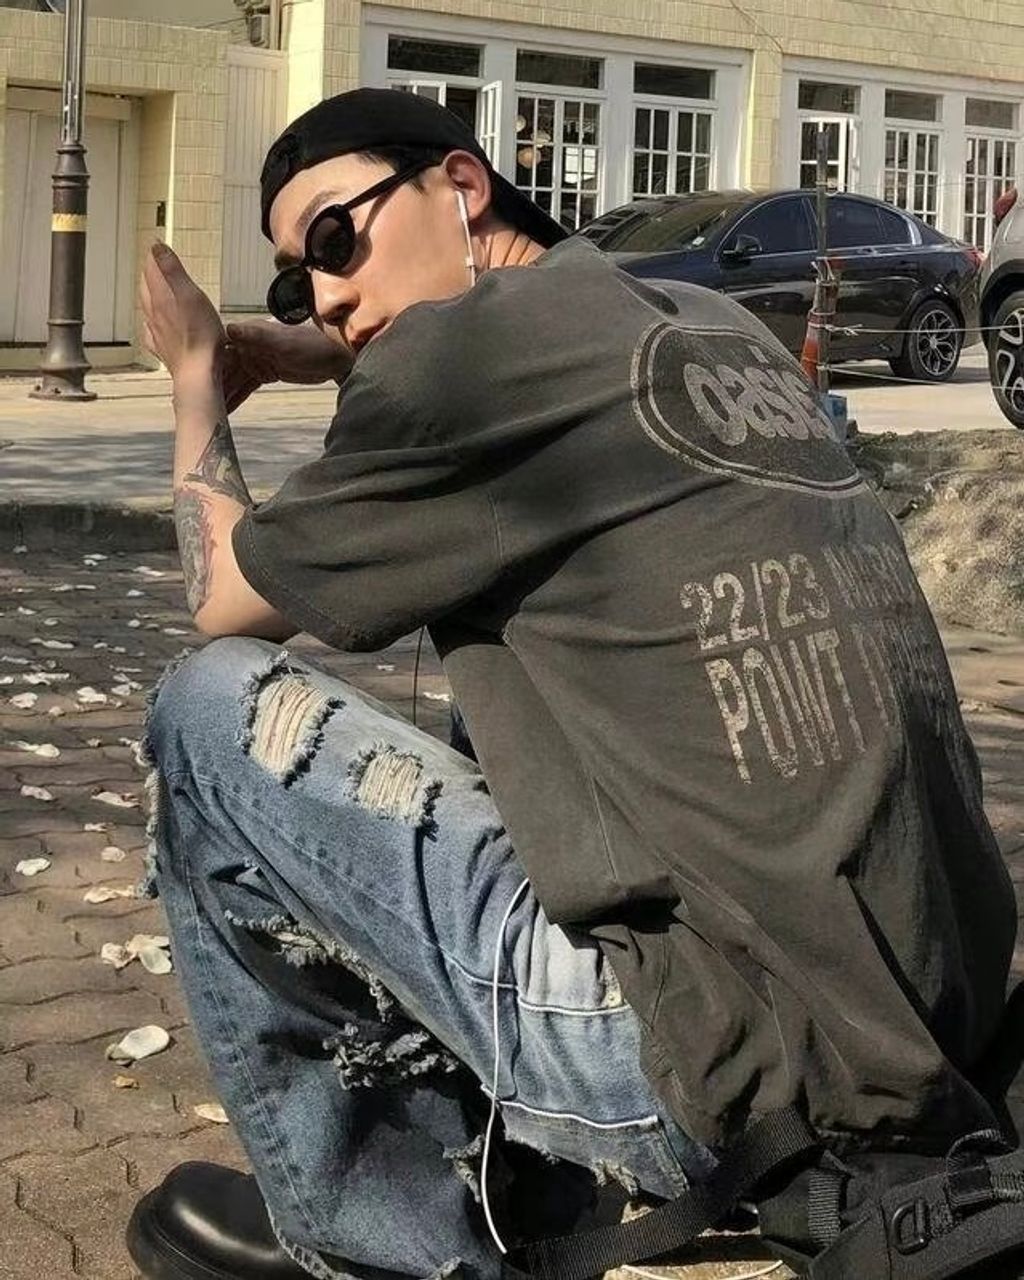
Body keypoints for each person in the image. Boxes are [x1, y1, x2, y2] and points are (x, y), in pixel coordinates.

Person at [128, 88, 1016, 1280]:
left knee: (208, 710)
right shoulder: (708, 320)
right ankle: (515, 1174)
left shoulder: (457, 363)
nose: (326, 294)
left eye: (335, 239)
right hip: (929, 1023)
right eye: (299, 284)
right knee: (518, 656)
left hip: (717, 1067)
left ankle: (382, 1233)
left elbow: (230, 594)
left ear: (460, 183)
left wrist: (196, 377)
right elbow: (494, 417)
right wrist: (342, 353)